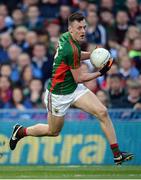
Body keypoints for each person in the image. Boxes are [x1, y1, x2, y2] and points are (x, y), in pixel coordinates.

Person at [9, 12, 133, 165]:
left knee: (102, 112)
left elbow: (77, 57)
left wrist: (93, 54)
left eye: (84, 27)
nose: (83, 31)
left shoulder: (67, 37)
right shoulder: (70, 48)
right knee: (53, 132)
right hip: (58, 94)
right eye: (79, 28)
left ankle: (117, 154)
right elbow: (79, 77)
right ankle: (21, 132)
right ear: (71, 29)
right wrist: (101, 72)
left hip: (74, 88)